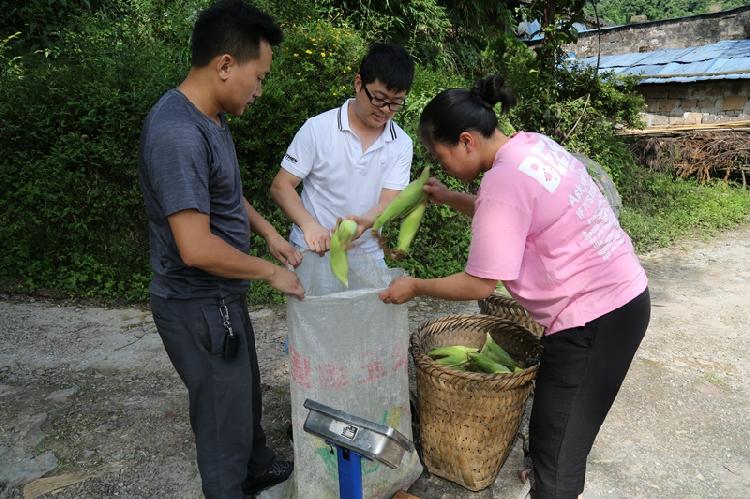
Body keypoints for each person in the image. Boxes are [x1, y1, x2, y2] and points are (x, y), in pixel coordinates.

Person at [379, 75, 651, 499]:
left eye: (439, 153)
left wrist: (414, 286)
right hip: (619, 302)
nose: (440, 162)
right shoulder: (530, 147)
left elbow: (479, 282)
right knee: (555, 439)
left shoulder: (503, 182)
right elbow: (509, 216)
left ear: (467, 141)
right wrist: (450, 197)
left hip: (595, 319)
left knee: (555, 452)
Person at [137, 1, 304, 497]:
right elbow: (194, 246)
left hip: (222, 298)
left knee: (243, 390)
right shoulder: (177, 134)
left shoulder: (210, 118)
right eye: (260, 76)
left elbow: (226, 194)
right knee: (220, 417)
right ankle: (232, 484)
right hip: (197, 304)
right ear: (226, 65)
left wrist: (270, 235)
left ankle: (257, 464)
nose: (259, 89)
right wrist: (270, 273)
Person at [270, 43, 415, 267]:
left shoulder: (401, 143)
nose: (386, 109)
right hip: (313, 252)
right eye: (379, 98)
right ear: (359, 83)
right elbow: (281, 186)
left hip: (367, 256)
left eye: (396, 103)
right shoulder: (318, 128)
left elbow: (390, 200)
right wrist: (309, 225)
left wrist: (364, 223)